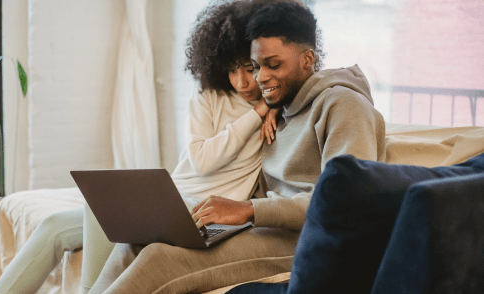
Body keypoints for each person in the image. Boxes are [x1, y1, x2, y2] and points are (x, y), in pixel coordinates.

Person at [88, 1, 386, 294]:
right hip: (263, 227)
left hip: (309, 238)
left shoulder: (345, 106)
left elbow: (345, 202)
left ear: (307, 60)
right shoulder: (281, 109)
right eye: (257, 66)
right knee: (138, 240)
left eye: (274, 65)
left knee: (159, 259)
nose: (260, 78)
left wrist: (248, 210)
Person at [0, 1, 280, 294]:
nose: (241, 81)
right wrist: (256, 114)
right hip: (172, 196)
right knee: (57, 223)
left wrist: (268, 108)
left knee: (112, 207)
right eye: (232, 70)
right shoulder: (208, 99)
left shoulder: (275, 109)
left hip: (201, 210)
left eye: (249, 68)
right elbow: (202, 160)